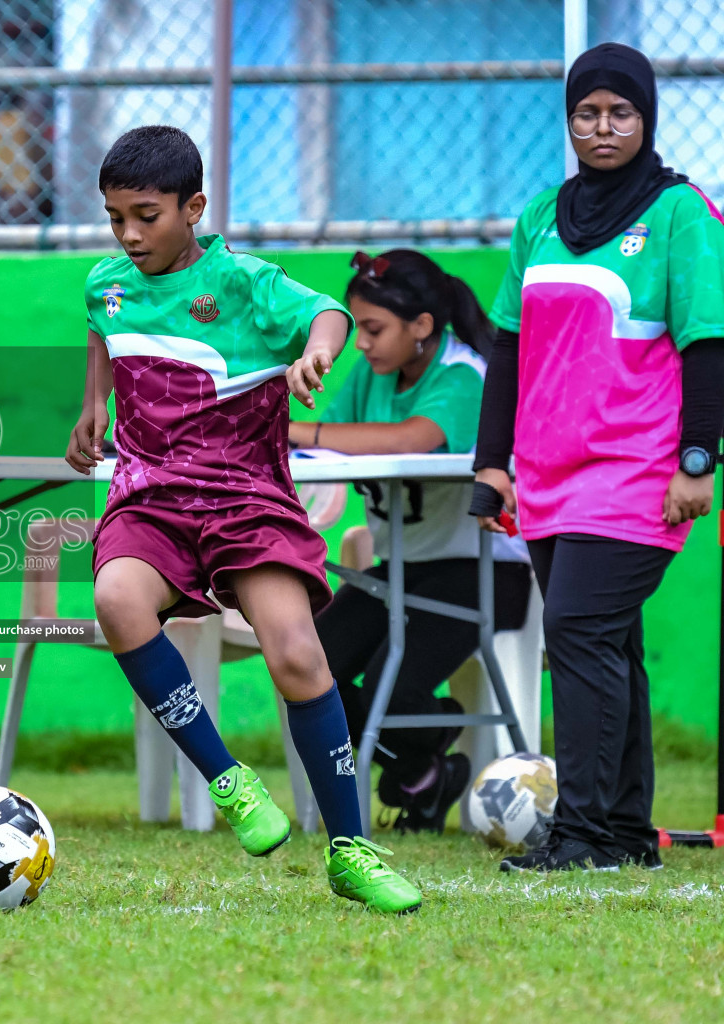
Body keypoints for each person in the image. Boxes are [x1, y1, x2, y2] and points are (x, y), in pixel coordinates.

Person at [67, 125, 421, 914]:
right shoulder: (106, 282)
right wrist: (93, 405)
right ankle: (227, 780)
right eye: (115, 216)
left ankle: (350, 848)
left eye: (146, 215)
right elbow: (102, 330)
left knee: (298, 655)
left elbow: (327, 314)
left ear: (194, 207)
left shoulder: (245, 283)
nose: (128, 233)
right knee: (118, 600)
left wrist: (316, 355)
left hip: (245, 500)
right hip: (150, 499)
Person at [474, 43, 724, 872]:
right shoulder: (542, 216)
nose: (604, 127)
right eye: (588, 113)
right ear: (570, 121)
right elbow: (508, 346)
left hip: (637, 467)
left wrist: (697, 458)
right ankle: (622, 829)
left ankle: (580, 835)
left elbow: (707, 344)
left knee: (578, 629)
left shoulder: (682, 214)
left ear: (646, 117)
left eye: (622, 112)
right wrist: (492, 460)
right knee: (605, 644)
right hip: (547, 470)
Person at [290, 249, 533, 833]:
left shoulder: (465, 375)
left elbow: (413, 438)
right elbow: (339, 442)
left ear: (422, 327)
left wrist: (298, 428)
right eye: (359, 330)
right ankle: (427, 764)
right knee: (303, 657)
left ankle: (425, 747)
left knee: (387, 683)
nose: (363, 344)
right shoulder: (370, 378)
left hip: (484, 571)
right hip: (398, 567)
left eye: (374, 330)